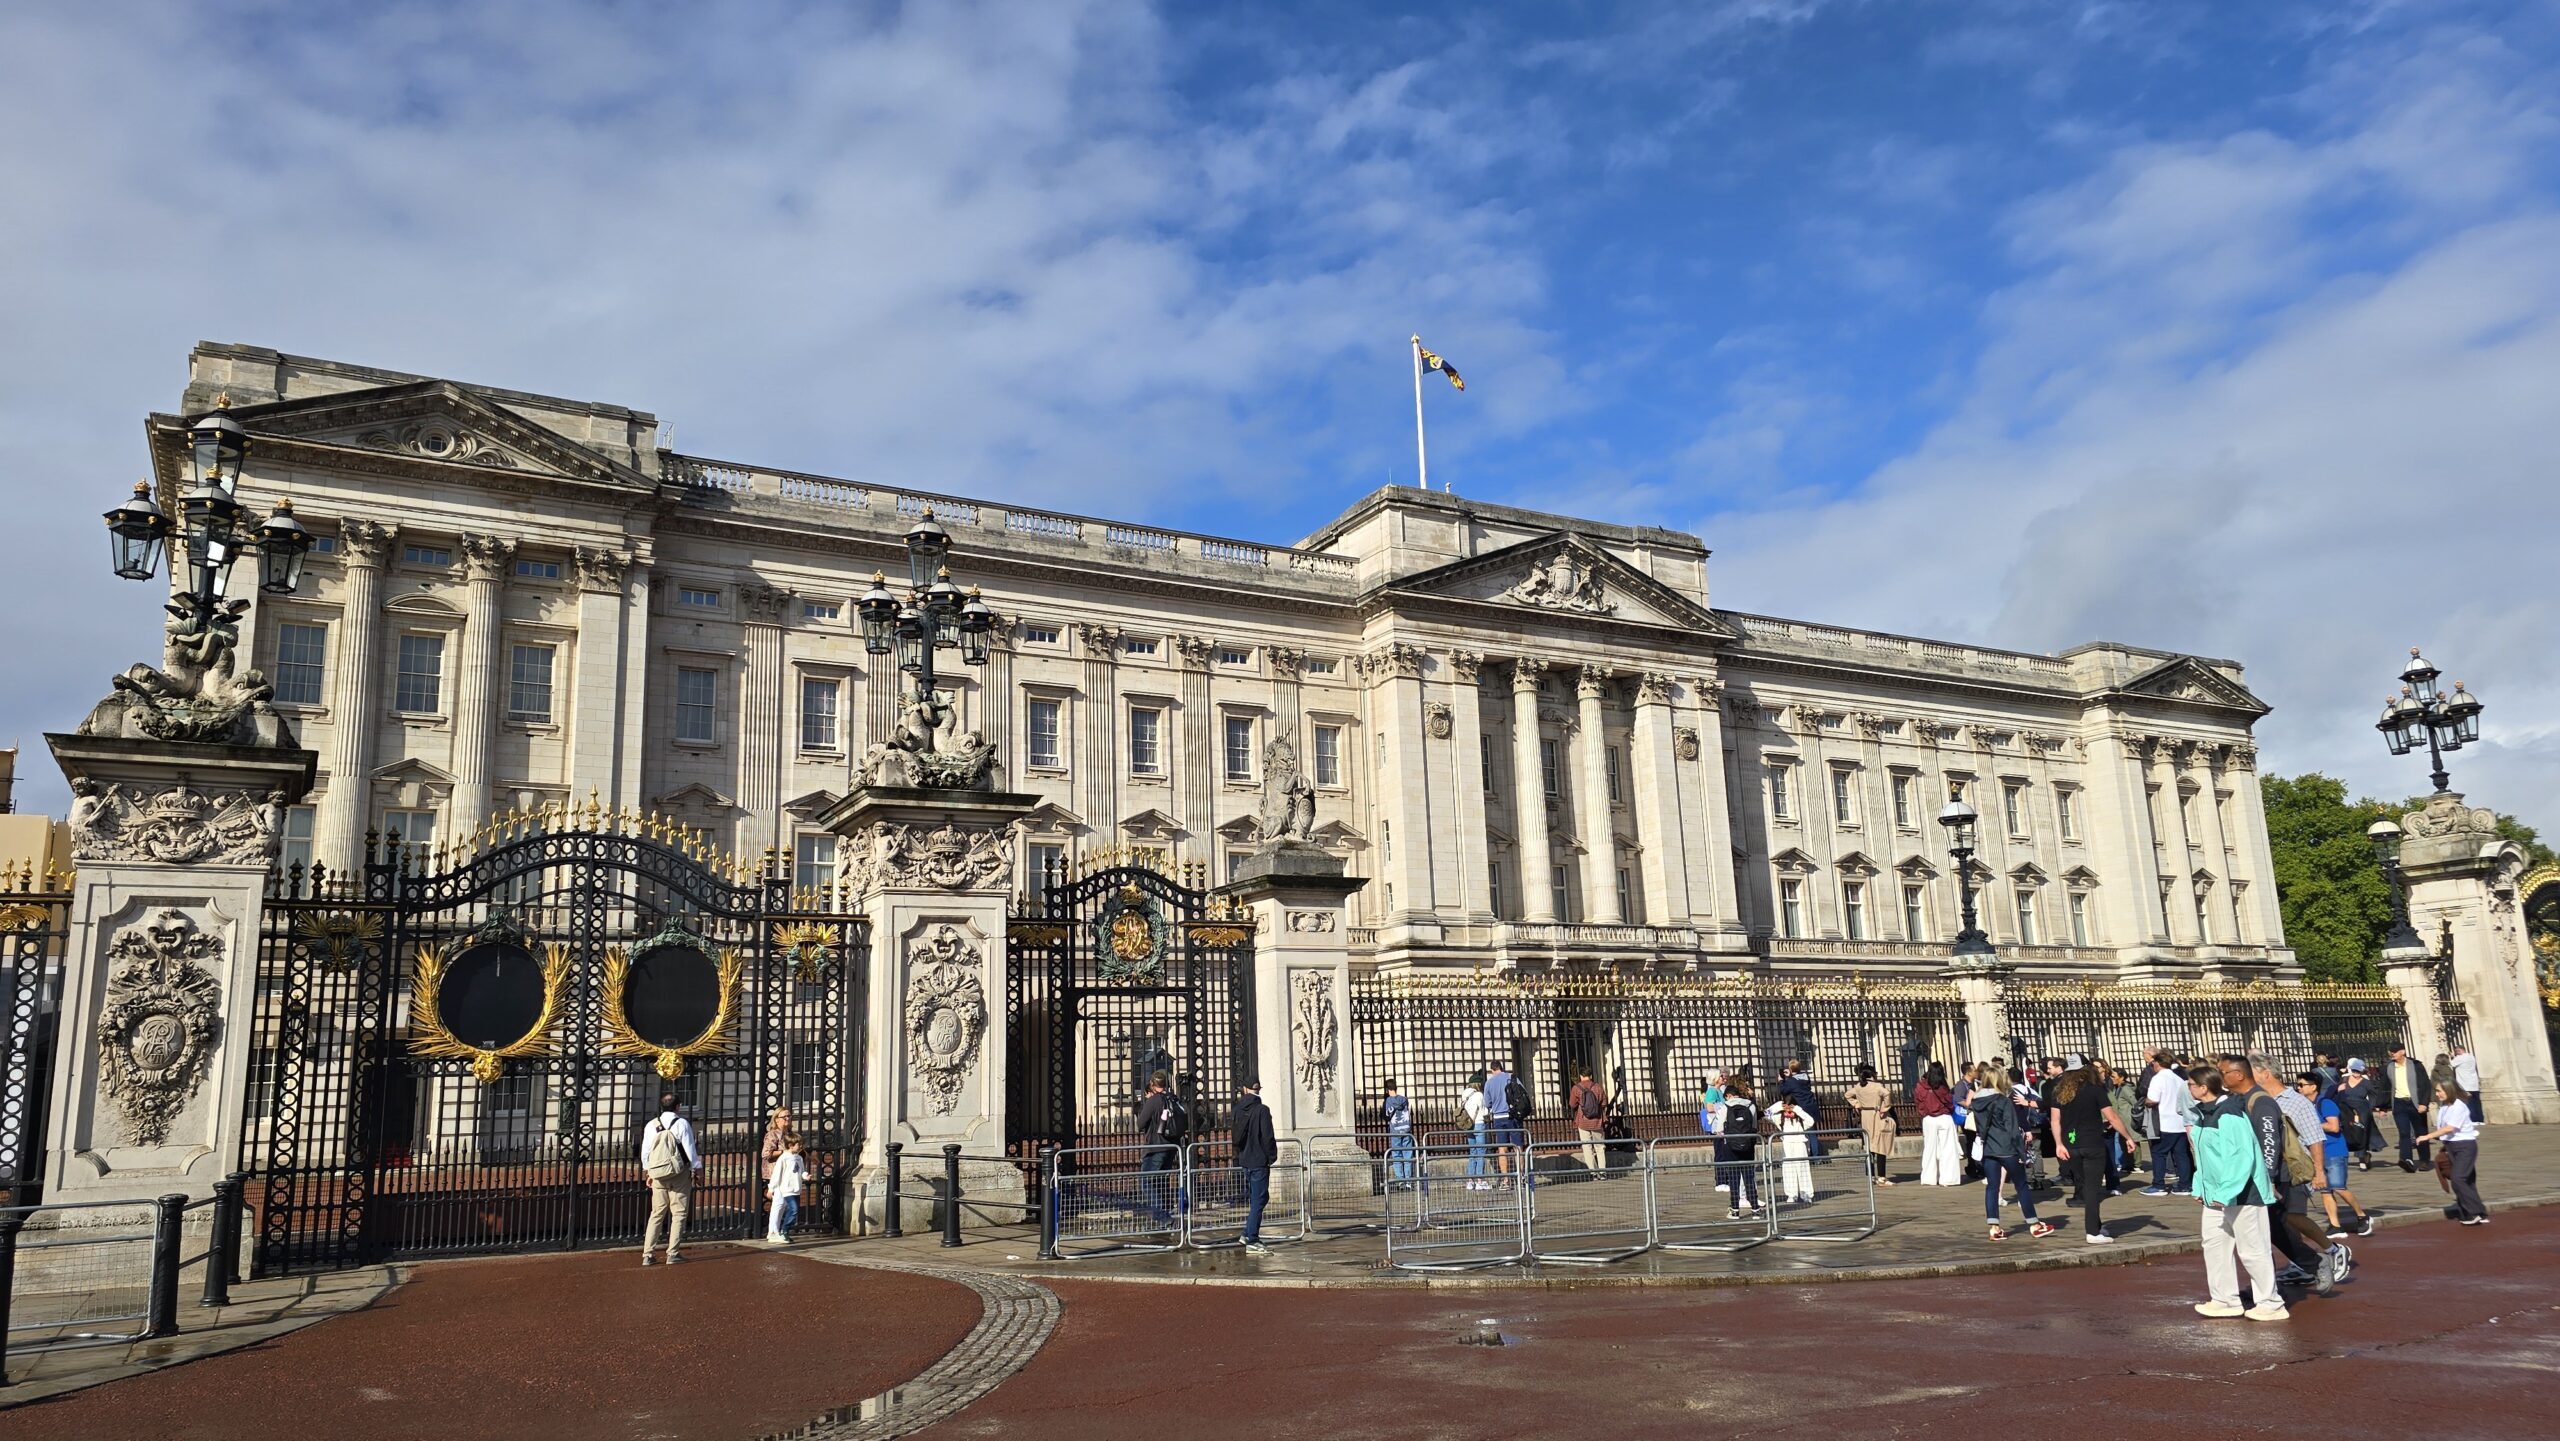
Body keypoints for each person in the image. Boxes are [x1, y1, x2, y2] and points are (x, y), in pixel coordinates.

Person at [2225, 1054, 2338, 1297]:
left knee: (2287, 1221)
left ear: (2265, 1073)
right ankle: (2293, 1271)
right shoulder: (2242, 1099)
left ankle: (2327, 1253)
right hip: (2258, 1173)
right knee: (2274, 1228)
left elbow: (2314, 1138)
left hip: (2288, 1171)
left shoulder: (2294, 1102)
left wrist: (2319, 1171)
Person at [2187, 1065, 2287, 1321]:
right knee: (2214, 1247)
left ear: (2203, 1087)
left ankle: (2271, 1303)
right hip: (2216, 1195)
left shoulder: (2229, 1113)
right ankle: (2224, 1300)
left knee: (2253, 1250)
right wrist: (2200, 1188)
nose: (2188, 1089)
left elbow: (2240, 1157)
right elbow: (2203, 1159)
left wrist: (2226, 1191)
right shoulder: (2204, 1115)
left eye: (2191, 1084)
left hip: (2244, 1194)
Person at [2051, 1057, 2138, 1243]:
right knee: (2092, 1189)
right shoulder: (2095, 1089)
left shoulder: (2059, 1090)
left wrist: (2058, 1144)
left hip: (2070, 1144)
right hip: (2092, 1143)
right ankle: (2092, 1231)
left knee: (2084, 1185)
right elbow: (2112, 1117)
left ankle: (2096, 1226)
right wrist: (2128, 1137)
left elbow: (2055, 1120)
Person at [1971, 1064, 2053, 1239]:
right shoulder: (2003, 1101)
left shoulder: (1976, 1102)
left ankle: (1994, 1227)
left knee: (1992, 1187)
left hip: (1989, 1148)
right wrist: (2023, 1154)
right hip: (2007, 1148)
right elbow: (2013, 1129)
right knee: (2021, 1185)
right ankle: (2034, 1224)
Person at [2297, 1071, 2372, 1239]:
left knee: (2338, 1187)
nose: (2299, 1088)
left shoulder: (2325, 1103)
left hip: (2334, 1150)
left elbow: (2334, 1126)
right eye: (2298, 1085)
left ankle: (2362, 1216)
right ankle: (2335, 1225)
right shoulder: (2305, 1106)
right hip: (2317, 1152)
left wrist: (2311, 1125)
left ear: (2313, 1087)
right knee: (2325, 1190)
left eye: (2302, 1085)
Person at [639, 1092, 701, 1266]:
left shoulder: (651, 1125)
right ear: (678, 1106)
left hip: (658, 1173)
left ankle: (648, 1254)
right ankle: (673, 1253)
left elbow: (646, 1151)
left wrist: (648, 1172)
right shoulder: (682, 1123)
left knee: (656, 1214)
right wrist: (697, 1169)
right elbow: (690, 1150)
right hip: (679, 1173)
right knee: (679, 1213)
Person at [2414, 1081, 2487, 1225]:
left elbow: (2450, 1128)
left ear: (2449, 1090)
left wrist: (2427, 1136)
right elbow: (2444, 1129)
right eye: (2436, 1091)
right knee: (2467, 1180)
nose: (2437, 1094)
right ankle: (2477, 1212)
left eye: (2439, 1091)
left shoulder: (2459, 1106)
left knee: (2458, 1178)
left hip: (2465, 1146)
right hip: (2451, 1146)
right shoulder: (2444, 1106)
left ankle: (2473, 1212)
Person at [1134, 1070, 1187, 1224]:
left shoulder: (1154, 1101)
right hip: (1171, 1147)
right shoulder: (1173, 1098)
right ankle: (1164, 1213)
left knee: (1146, 1182)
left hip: (1156, 1147)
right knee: (1160, 1182)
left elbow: (1140, 1124)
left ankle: (1162, 1216)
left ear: (1152, 1084)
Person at [1233, 1077, 1278, 1255]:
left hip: (1245, 1159)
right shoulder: (1262, 1110)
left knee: (1260, 1197)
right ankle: (1252, 1238)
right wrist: (1272, 1156)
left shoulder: (1237, 1109)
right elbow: (1268, 1137)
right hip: (1259, 1160)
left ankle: (1246, 1233)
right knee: (1259, 1200)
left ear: (1245, 1089)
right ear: (1258, 1090)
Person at [2144, 1051, 2194, 1195]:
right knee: (2181, 1154)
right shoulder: (2178, 1078)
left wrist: (2145, 1101)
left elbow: (2153, 1099)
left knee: (2158, 1153)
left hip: (2164, 1122)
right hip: (2180, 1122)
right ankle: (2185, 1184)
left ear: (2158, 1063)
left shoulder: (2158, 1078)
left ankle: (2158, 1185)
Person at [1845, 1064, 1898, 1186]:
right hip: (1877, 1114)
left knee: (1869, 1145)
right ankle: (1881, 1177)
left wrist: (1857, 1104)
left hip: (1865, 1115)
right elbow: (1887, 1093)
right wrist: (1885, 1107)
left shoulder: (1858, 1086)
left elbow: (1847, 1094)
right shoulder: (1877, 1086)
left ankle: (1871, 1175)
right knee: (1880, 1145)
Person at [1715, 1085, 1760, 1219]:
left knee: (1734, 1177)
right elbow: (1754, 1126)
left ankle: (1735, 1209)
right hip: (1748, 1145)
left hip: (1731, 1146)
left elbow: (1719, 1130)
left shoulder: (1725, 1106)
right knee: (1749, 1177)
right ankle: (1755, 1209)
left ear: (1728, 1095)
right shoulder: (1750, 1105)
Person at [2387, 1043, 2433, 1172]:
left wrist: (2424, 1103)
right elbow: (2385, 1086)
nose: (2392, 1053)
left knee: (2420, 1132)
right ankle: (2407, 1160)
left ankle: (2424, 1160)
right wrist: (2381, 1106)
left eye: (2395, 1051)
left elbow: (2425, 1085)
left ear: (2403, 1051)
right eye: (2390, 1051)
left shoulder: (2416, 1065)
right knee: (2404, 1133)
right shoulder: (2389, 1067)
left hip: (2415, 1102)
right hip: (2399, 1103)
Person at [1770, 1084, 1817, 1204]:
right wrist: (1778, 1106)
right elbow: (1767, 1114)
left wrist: (1796, 1110)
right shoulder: (1780, 1117)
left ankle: (1806, 1194)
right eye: (1786, 1108)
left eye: (1789, 1107)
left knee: (1802, 1167)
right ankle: (1792, 1194)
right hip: (1787, 1142)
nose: (1788, 1111)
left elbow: (1811, 1121)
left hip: (1800, 1142)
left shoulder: (1800, 1117)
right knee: (1788, 1169)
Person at [1914, 1062, 1960, 1187]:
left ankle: (1928, 1178)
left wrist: (1924, 1112)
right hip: (1944, 1117)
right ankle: (1948, 1178)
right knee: (1948, 1149)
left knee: (1929, 1149)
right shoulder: (1942, 1086)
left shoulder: (1920, 1086)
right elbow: (1949, 1101)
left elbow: (1918, 1102)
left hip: (1929, 1118)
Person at [2335, 1059, 2381, 1173]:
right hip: (2347, 1110)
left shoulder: (2366, 1082)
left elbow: (2374, 1095)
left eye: (2358, 1071)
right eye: (2354, 1071)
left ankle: (2362, 1160)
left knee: (2361, 1133)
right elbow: (2337, 1092)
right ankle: (2352, 1155)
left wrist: (2372, 1106)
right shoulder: (2344, 1080)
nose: (2356, 1073)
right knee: (2347, 1132)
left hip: (2362, 1109)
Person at [765, 1132, 806, 1244]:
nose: (801, 1146)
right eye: (799, 1144)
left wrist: (805, 1175)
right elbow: (776, 1174)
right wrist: (771, 1188)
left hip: (795, 1189)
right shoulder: (783, 1158)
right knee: (791, 1209)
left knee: (791, 1210)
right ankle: (780, 1231)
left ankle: (782, 1232)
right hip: (785, 1189)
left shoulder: (799, 1158)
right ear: (790, 1145)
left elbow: (801, 1171)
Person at [1481, 1059, 1516, 1190]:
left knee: (1502, 1149)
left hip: (1498, 1117)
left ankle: (1506, 1180)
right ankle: (1522, 1177)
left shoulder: (1489, 1083)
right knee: (1518, 1147)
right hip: (1513, 1115)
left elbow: (1487, 1103)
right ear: (1501, 1067)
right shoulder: (1511, 1077)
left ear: (1492, 1070)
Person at [1569, 1066, 1610, 1175]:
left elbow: (1572, 1104)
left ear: (1580, 1076)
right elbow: (1604, 1103)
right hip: (1597, 1121)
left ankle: (1593, 1172)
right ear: (1591, 1076)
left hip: (1583, 1121)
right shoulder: (1597, 1087)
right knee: (1600, 1147)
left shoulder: (1576, 1088)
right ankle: (1602, 1172)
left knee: (1587, 1147)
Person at [1381, 1078, 1417, 1186]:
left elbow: (1387, 1115)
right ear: (1395, 1087)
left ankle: (1400, 1180)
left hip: (1395, 1130)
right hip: (1406, 1129)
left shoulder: (1388, 1101)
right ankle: (1409, 1181)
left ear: (1387, 1089)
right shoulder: (1404, 1099)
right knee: (1408, 1155)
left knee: (1397, 1155)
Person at [1461, 1073, 1492, 1191]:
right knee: (1481, 1152)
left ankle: (1470, 1180)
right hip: (1479, 1123)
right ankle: (1480, 1180)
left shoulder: (1464, 1094)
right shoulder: (1479, 1094)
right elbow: (1485, 1111)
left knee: (1472, 1151)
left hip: (1468, 1125)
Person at [759, 1105, 794, 1197]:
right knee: (781, 1202)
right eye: (784, 1117)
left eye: (789, 1116)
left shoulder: (790, 1134)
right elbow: (765, 1154)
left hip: (789, 1173)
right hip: (777, 1174)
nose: (787, 1118)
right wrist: (784, 1152)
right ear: (776, 1120)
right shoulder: (773, 1134)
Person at [2451, 1046, 2483, 1122]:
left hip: (2465, 1084)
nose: (2456, 1053)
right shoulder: (2471, 1057)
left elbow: (2451, 1064)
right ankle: (2480, 1119)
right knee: (2477, 1103)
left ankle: (2473, 1119)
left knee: (2469, 1103)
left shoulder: (2460, 1058)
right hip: (2474, 1084)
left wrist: (2452, 1057)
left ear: (2460, 1050)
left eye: (2456, 1051)